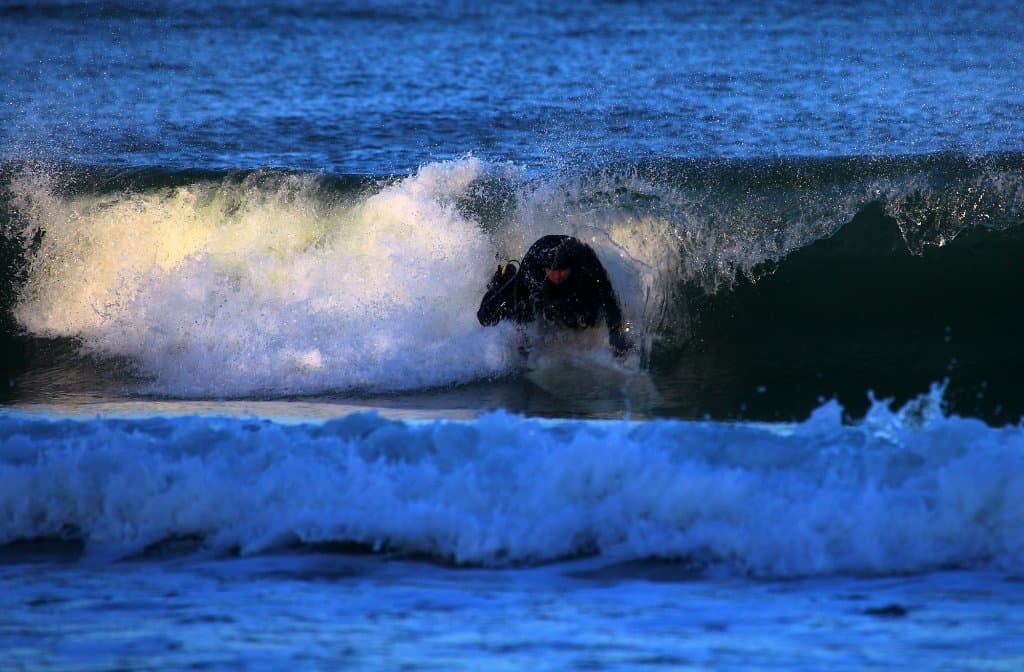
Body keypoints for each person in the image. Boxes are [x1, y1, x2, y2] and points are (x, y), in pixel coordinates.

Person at [477, 235, 633, 356]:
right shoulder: (534, 266)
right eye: (553, 272)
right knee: (486, 317)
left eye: (562, 271)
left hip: (572, 265)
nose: (557, 276)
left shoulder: (587, 263)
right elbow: (522, 306)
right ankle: (504, 275)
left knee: (587, 317)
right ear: (545, 268)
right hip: (533, 267)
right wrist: (524, 343)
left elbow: (609, 299)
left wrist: (616, 338)